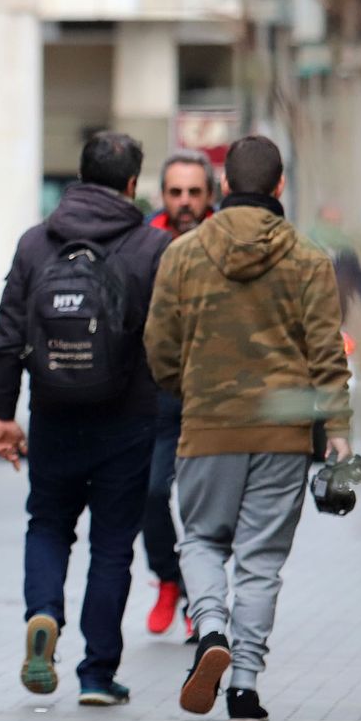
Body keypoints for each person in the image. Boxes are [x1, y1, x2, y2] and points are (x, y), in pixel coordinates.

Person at [145, 135, 352, 721]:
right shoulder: (310, 258)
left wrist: (187, 390)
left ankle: (209, 628)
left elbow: (158, 345)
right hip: (283, 434)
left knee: (202, 540)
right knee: (261, 560)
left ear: (224, 186)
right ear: (280, 187)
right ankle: (244, 686)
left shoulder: (183, 253)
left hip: (208, 425)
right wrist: (336, 428)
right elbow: (326, 354)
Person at [0, 131, 171, 706]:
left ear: (79, 175)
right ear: (133, 184)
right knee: (113, 545)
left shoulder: (36, 243)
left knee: (47, 523)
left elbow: (8, 335)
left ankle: (44, 613)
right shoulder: (151, 247)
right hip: (129, 418)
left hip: (53, 414)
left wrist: (1, 414)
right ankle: (96, 673)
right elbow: (168, 343)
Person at [143, 150, 216, 639]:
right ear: (163, 196)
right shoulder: (145, 242)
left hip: (215, 396)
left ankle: (200, 596)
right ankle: (168, 577)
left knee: (204, 503)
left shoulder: (227, 241)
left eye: (194, 192)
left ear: (209, 196)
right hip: (158, 395)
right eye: (176, 192)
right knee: (151, 493)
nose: (185, 202)